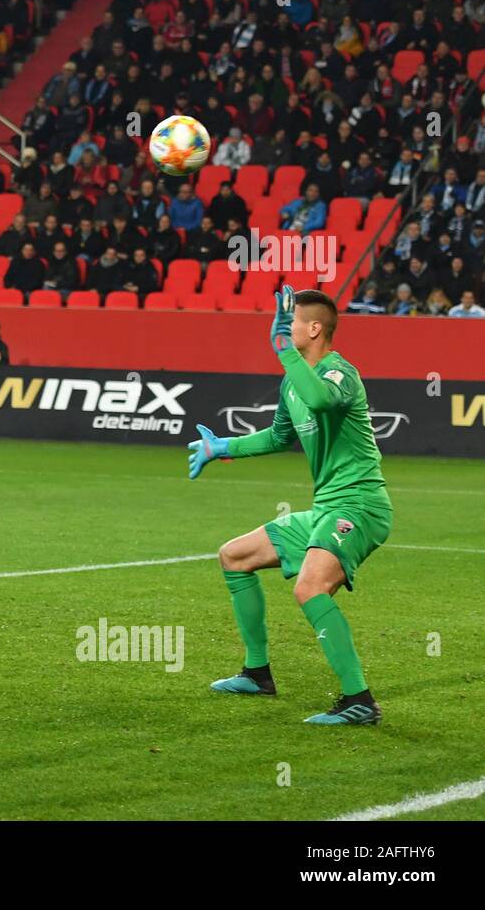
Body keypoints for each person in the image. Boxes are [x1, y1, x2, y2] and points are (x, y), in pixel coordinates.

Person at [188, 287, 391, 725]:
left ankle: (360, 701)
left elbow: (319, 399)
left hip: (360, 506)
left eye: (290, 321)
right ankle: (257, 673)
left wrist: (284, 353)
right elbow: (279, 436)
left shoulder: (340, 374)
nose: (282, 328)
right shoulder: (291, 382)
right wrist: (222, 446)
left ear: (314, 328)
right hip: (326, 508)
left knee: (308, 588)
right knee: (234, 556)